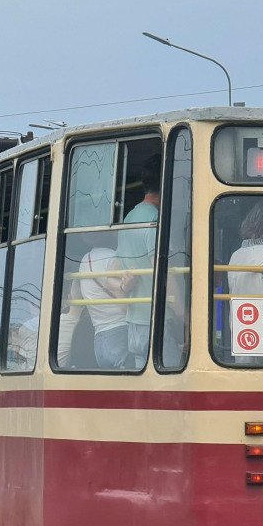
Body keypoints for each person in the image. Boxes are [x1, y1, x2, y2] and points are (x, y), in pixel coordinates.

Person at [117, 155, 162, 368]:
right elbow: (163, 275)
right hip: (159, 320)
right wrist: (185, 317)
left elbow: (120, 269)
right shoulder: (155, 220)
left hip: (134, 320)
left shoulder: (128, 218)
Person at [58, 245, 131, 369]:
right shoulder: (111, 257)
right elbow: (125, 304)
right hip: (120, 336)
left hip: (99, 344)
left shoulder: (85, 263)